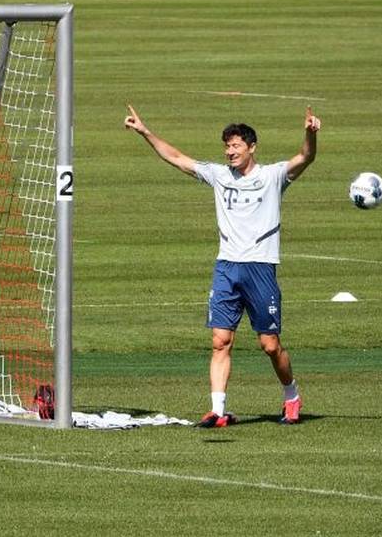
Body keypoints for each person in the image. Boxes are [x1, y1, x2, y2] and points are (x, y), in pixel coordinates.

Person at [123, 104, 321, 427]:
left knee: (269, 345)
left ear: (252, 147)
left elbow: (305, 157)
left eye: (236, 146)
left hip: (260, 268)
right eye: (227, 146)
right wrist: (145, 132)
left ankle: (291, 395)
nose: (230, 152)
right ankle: (218, 410)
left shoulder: (272, 177)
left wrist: (310, 135)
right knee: (220, 341)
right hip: (227, 267)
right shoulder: (218, 175)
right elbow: (176, 158)